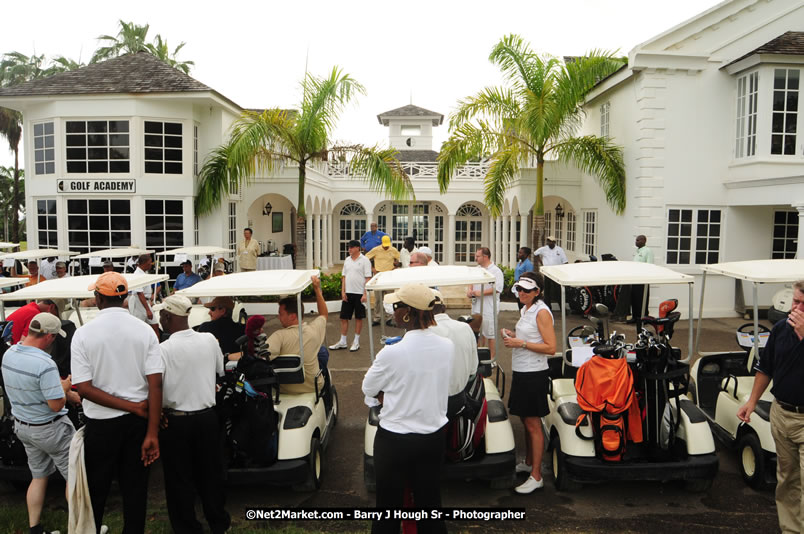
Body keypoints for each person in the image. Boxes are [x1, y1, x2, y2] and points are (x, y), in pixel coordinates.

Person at [71, 271, 164, 533]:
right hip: (138, 422)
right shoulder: (145, 331)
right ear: (124, 297)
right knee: (135, 491)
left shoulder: (83, 334)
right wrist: (152, 431)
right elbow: (156, 384)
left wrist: (135, 410)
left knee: (97, 493)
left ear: (98, 298)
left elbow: (85, 389)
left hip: (101, 425)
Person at [362, 284, 453, 534]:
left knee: (388, 510)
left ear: (407, 313)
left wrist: (388, 394)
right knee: (431, 508)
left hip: (394, 441)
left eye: (396, 306)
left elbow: (368, 387)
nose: (392, 311)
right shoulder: (447, 346)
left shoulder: (391, 352)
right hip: (432, 438)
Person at [156, 295, 231, 534]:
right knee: (211, 474)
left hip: (176, 420)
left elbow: (156, 386)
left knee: (179, 479)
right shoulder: (208, 340)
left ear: (167, 316)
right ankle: (218, 522)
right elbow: (219, 370)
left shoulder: (163, 350)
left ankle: (187, 527)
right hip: (207, 417)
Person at [738, 280, 804, 533]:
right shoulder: (780, 329)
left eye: (801, 304)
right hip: (782, 414)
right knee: (787, 481)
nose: (795, 308)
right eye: (794, 301)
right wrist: (752, 403)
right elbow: (765, 368)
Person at [1, 313, 73, 534]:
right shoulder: (45, 363)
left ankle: (35, 528)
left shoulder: (9, 353)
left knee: (39, 476)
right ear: (49, 337)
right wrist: (66, 387)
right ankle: (81, 528)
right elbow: (55, 404)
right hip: (50, 428)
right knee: (75, 476)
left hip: (24, 426)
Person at [501, 272, 555, 494]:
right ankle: (529, 462)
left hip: (534, 374)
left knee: (533, 423)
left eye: (526, 290)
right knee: (525, 418)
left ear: (537, 292)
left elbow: (551, 348)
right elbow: (532, 338)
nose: (521, 293)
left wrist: (520, 343)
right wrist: (514, 335)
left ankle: (537, 475)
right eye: (519, 289)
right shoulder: (526, 309)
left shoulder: (541, 312)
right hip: (522, 371)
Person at [265, 275, 327, 395]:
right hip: (313, 387)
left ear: (293, 316)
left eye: (281, 314)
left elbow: (262, 355)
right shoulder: (313, 330)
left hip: (285, 389)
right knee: (323, 353)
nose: (278, 317)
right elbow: (324, 314)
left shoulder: (278, 336)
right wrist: (317, 290)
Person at [330, 240, 371, 352]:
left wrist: (365, 294)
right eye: (349, 247)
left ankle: (356, 341)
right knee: (344, 317)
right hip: (348, 293)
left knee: (358, 317)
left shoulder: (365, 260)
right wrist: (343, 292)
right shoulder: (347, 260)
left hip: (359, 294)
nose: (349, 249)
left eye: (352, 247)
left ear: (358, 248)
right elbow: (344, 276)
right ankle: (343, 341)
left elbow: (368, 278)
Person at [466, 247, 504, 359]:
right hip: (476, 307)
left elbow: (497, 289)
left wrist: (480, 293)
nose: (475, 258)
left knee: (490, 334)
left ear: (485, 257)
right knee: (478, 333)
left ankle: (492, 358)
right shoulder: (477, 269)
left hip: (489, 308)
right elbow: (471, 282)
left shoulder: (496, 271)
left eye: (478, 256)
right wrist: (470, 291)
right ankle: (479, 357)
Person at [366, 236, 400, 324]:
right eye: (385, 245)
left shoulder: (393, 250)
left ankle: (389, 318)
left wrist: (396, 265)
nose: (386, 247)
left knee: (389, 298)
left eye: (387, 245)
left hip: (389, 275)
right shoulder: (376, 249)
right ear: (381, 243)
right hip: (379, 275)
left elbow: (399, 260)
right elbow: (366, 258)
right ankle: (377, 318)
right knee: (378, 298)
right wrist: (372, 267)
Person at [128, 254, 159, 338]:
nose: (150, 265)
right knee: (137, 327)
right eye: (149, 263)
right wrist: (148, 310)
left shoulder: (144, 273)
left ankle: (157, 346)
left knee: (155, 325)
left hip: (146, 301)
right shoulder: (137, 274)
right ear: (144, 263)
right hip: (138, 302)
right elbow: (139, 293)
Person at [533, 236, 568, 310]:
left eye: (552, 241)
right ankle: (548, 307)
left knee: (558, 291)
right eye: (549, 241)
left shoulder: (559, 250)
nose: (550, 243)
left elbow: (565, 261)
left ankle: (562, 308)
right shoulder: (544, 249)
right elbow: (535, 254)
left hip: (557, 273)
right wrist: (541, 263)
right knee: (547, 291)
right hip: (547, 272)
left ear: (555, 242)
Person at [629, 234, 654, 327]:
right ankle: (635, 317)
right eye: (636, 240)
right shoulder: (637, 251)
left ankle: (643, 317)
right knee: (634, 298)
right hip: (635, 278)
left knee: (642, 299)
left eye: (638, 240)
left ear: (644, 241)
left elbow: (650, 265)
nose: (636, 242)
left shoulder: (648, 251)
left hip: (643, 279)